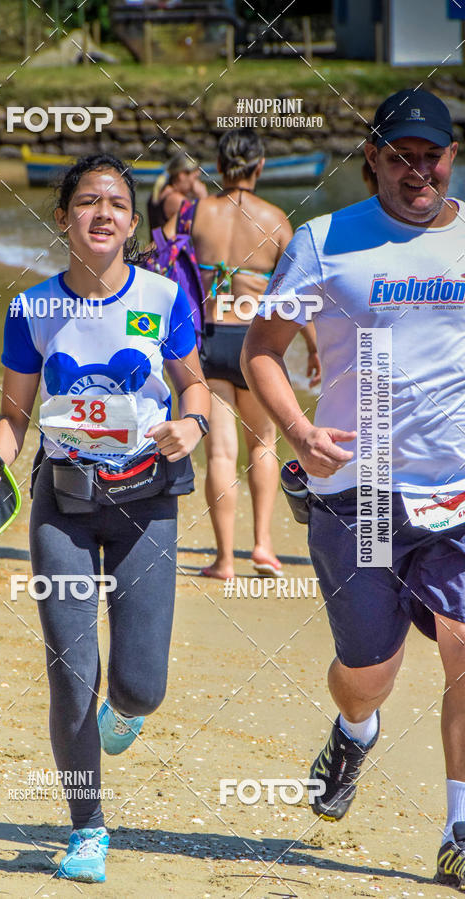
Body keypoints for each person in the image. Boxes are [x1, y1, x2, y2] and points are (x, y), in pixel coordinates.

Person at [241, 89, 465, 887]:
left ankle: (459, 828)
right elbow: (262, 348)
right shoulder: (324, 241)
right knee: (368, 667)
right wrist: (299, 433)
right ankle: (353, 728)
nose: (419, 170)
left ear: (451, 155)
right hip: (358, 492)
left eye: (431, 154)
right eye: (401, 154)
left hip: (457, 490)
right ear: (371, 157)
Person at [0, 153, 210, 884]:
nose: (102, 212)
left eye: (115, 202)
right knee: (73, 673)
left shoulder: (163, 296)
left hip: (147, 500)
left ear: (132, 221)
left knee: (140, 684)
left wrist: (194, 425)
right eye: (86, 202)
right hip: (64, 503)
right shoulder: (34, 308)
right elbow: (15, 413)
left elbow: (195, 384)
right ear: (63, 219)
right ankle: (87, 829)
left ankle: (127, 710)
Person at [164, 127, 320, 579]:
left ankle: (225, 560)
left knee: (219, 454)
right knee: (264, 444)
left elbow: (163, 259)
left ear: (219, 164)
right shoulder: (275, 220)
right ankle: (264, 548)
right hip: (255, 347)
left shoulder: (195, 215)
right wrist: (312, 344)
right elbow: (296, 294)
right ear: (260, 165)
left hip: (208, 341)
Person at [147, 150, 207, 231]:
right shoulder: (177, 200)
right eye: (195, 178)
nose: (198, 183)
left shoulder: (161, 191)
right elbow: (202, 227)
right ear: (182, 175)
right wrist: (203, 197)